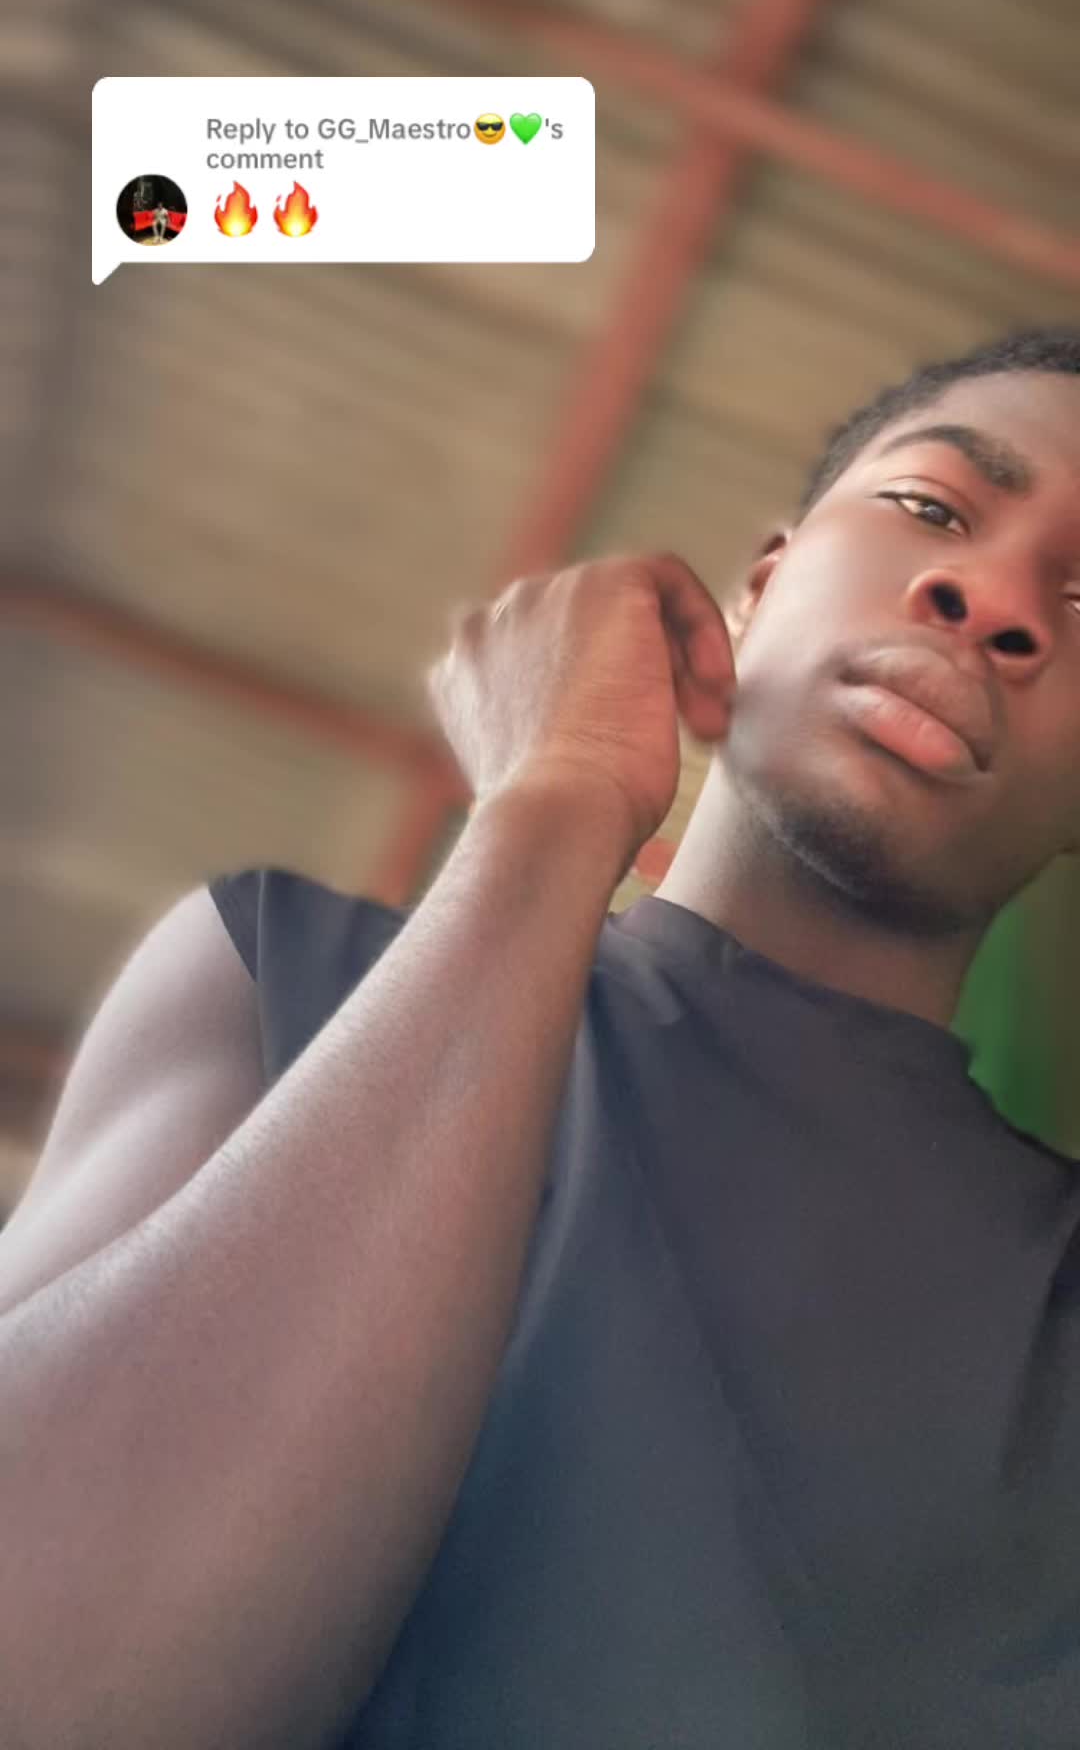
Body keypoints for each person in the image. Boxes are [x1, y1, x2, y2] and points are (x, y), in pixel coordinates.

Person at [1, 327, 1078, 1748]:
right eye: (933, 506)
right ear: (760, 589)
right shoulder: (272, 971)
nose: (994, 595)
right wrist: (556, 794)